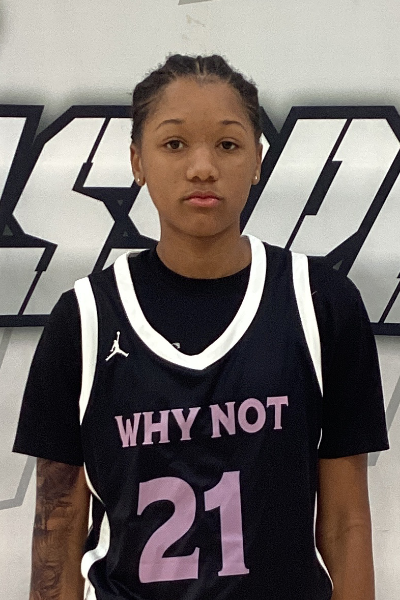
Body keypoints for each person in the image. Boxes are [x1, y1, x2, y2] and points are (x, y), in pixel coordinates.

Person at [13, 54, 389, 600]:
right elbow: (58, 526)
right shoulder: (85, 319)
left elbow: (346, 523)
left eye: (228, 144)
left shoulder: (322, 304)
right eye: (174, 144)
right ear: (137, 161)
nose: (202, 168)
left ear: (258, 160)